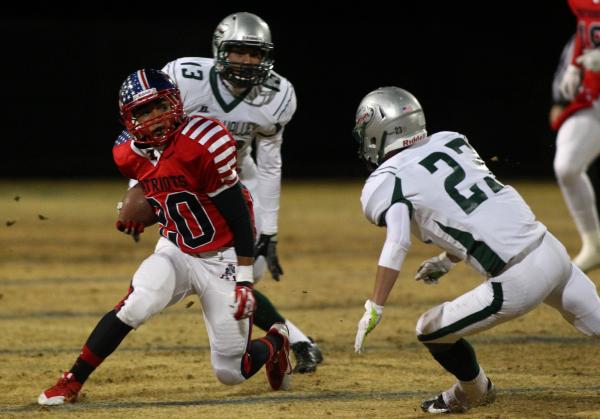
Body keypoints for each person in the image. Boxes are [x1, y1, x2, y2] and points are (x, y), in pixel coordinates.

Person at [38, 69, 292, 406]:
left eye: (158, 106)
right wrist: (135, 212)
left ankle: (276, 341)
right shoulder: (126, 152)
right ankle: (71, 381)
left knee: (231, 371)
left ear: (175, 102)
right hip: (177, 248)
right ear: (128, 118)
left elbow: (238, 215)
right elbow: (158, 187)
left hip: (224, 256)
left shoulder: (204, 142)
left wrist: (245, 279)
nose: (153, 118)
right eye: (142, 112)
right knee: (137, 303)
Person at [352, 87, 600, 414]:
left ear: (378, 132)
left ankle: (472, 391)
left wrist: (375, 305)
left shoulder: (387, 180)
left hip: (517, 279)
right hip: (551, 250)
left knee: (429, 328)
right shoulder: (450, 141)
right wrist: (446, 259)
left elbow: (398, 242)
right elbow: (481, 210)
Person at [159, 11, 322, 373]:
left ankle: (291, 338)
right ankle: (293, 339)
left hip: (235, 179)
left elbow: (269, 163)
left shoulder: (278, 94)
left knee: (245, 271)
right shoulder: (184, 78)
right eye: (238, 51)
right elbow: (152, 137)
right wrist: (143, 188)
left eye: (255, 54)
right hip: (187, 183)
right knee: (222, 272)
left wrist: (269, 229)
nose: (248, 61)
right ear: (219, 49)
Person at [552, 0, 600, 272]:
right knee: (567, 167)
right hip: (595, 98)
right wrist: (573, 65)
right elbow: (584, 30)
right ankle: (594, 245)